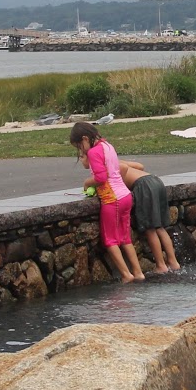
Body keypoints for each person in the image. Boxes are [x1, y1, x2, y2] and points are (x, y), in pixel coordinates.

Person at [69, 121, 142, 283]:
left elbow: (101, 178)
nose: (81, 150)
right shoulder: (108, 145)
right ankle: (138, 273)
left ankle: (126, 275)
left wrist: (87, 183)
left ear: (85, 138)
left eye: (79, 146)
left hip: (112, 198)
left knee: (110, 240)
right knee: (125, 238)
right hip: (125, 196)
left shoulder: (94, 152)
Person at [119, 159, 181, 274]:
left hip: (144, 186)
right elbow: (140, 166)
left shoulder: (108, 165)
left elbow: (122, 169)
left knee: (150, 228)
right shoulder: (117, 161)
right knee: (160, 227)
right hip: (155, 180)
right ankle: (173, 262)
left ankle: (161, 265)